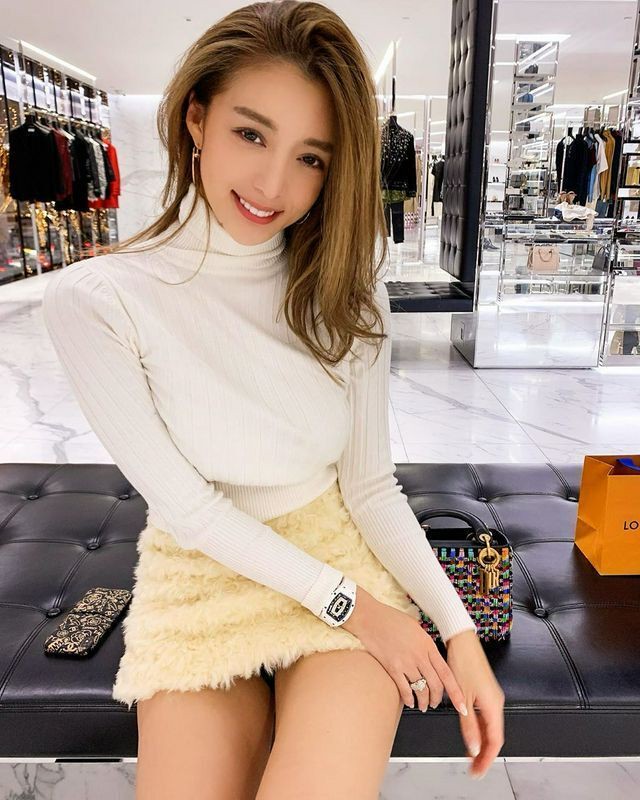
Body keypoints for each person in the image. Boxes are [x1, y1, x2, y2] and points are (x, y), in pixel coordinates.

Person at [41, 1, 505, 797]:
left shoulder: (348, 291)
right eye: (251, 134)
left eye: (311, 157)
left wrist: (458, 631)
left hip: (333, 542)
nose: (272, 184)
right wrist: (360, 610)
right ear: (196, 117)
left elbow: (370, 488)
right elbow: (191, 511)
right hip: (203, 566)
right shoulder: (101, 300)